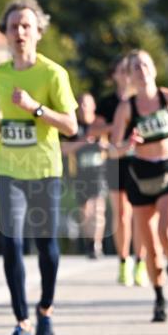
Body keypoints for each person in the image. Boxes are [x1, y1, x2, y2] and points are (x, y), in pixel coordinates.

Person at [0, 0, 77, 335]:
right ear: (6, 33)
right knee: (11, 244)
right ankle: (22, 323)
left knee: (47, 248)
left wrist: (35, 108)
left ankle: (46, 310)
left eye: (26, 26)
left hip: (43, 170)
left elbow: (71, 126)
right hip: (9, 168)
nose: (20, 32)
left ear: (39, 31)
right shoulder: (0, 73)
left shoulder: (53, 74)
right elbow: (6, 118)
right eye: (14, 26)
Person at [111, 49, 168, 322]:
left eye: (145, 64)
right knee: (150, 247)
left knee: (167, 230)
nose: (141, 70)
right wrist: (128, 144)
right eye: (135, 67)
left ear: (153, 69)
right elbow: (113, 149)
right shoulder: (127, 108)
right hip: (141, 177)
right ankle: (159, 298)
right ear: (129, 76)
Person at [93, 56, 147, 286]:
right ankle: (124, 262)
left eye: (128, 70)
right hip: (116, 161)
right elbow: (93, 129)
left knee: (141, 214)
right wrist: (117, 124)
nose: (125, 74)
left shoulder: (142, 100)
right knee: (122, 214)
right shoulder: (107, 102)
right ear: (113, 75)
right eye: (120, 70)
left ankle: (141, 262)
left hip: (141, 160)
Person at [62, 92, 107, 258]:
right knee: (85, 211)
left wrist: (103, 145)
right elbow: (63, 149)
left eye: (86, 103)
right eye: (80, 103)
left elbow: (111, 145)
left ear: (93, 106)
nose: (83, 107)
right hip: (80, 175)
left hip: (99, 173)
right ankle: (89, 241)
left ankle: (97, 244)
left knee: (98, 209)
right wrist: (83, 141)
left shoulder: (100, 125)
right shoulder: (73, 126)